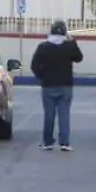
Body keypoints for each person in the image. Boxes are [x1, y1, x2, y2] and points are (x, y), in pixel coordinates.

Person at [30, 20, 84, 151]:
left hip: (48, 86)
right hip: (65, 86)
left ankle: (48, 142)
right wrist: (73, 41)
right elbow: (79, 57)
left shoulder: (43, 47)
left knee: (49, 114)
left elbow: (34, 66)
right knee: (64, 114)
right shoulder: (68, 47)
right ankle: (64, 142)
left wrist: (41, 77)